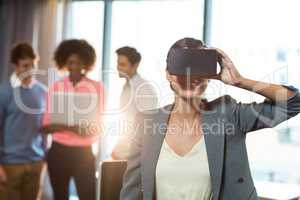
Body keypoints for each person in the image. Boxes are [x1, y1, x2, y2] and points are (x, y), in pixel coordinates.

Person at [120, 38, 300, 200]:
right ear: (168, 73)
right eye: (182, 67)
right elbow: (131, 193)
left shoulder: (229, 115)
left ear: (209, 75)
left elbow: (293, 103)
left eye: (199, 68)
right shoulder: (146, 123)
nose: (190, 77)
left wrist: (239, 81)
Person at [40, 39, 104, 200]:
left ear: (85, 63)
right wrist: (74, 128)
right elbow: (46, 126)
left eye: (78, 62)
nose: (74, 67)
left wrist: (63, 126)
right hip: (58, 152)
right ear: (64, 63)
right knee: (60, 196)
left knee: (88, 196)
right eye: (70, 62)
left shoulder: (97, 88)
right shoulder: (55, 87)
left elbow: (97, 127)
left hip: (84, 154)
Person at [0, 42, 46, 200]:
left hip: (36, 163)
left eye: (33, 65)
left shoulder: (42, 91)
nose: (30, 70)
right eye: (25, 66)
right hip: (10, 164)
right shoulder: (4, 91)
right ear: (15, 66)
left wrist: (44, 157)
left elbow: (44, 128)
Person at [111, 46, 158, 160]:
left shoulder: (143, 88)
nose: (118, 68)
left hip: (137, 151)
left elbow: (147, 124)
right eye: (118, 63)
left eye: (122, 64)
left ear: (135, 65)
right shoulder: (127, 87)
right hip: (126, 147)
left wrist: (126, 150)